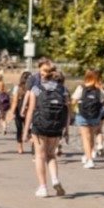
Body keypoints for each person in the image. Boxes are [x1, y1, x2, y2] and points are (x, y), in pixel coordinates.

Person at [23, 63, 69, 197]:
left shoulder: (36, 89)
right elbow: (67, 111)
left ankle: (43, 187)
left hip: (40, 126)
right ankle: (55, 179)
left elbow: (31, 110)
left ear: (42, 74)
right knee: (51, 155)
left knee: (39, 156)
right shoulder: (63, 90)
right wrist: (66, 129)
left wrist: (26, 131)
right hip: (56, 127)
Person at [71, 68, 104, 169]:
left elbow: (73, 101)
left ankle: (89, 160)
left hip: (82, 114)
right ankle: (91, 154)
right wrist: (101, 104)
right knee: (92, 136)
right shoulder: (102, 87)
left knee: (85, 138)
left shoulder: (81, 87)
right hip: (96, 114)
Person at [11, 71, 31, 154]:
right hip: (29, 110)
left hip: (19, 110)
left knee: (19, 129)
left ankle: (20, 148)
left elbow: (15, 101)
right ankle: (33, 146)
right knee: (30, 129)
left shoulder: (17, 88)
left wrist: (12, 112)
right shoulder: (33, 87)